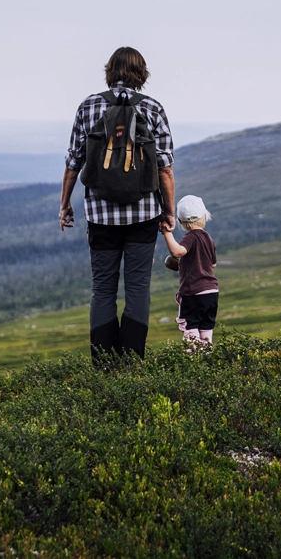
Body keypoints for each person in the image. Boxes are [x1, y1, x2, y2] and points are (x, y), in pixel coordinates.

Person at [59, 47, 176, 364]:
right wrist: (168, 211)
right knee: (138, 288)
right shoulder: (152, 108)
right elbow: (164, 167)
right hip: (143, 215)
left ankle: (102, 364)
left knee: (102, 289)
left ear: (109, 70)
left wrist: (65, 204)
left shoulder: (89, 106)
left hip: (100, 215)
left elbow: (74, 161)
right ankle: (132, 363)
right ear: (142, 73)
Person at [161, 196, 218, 346]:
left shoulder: (190, 237)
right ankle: (206, 359)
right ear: (205, 216)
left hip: (192, 293)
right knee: (206, 328)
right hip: (211, 293)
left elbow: (178, 252)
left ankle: (192, 361)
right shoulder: (208, 239)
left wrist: (167, 233)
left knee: (190, 329)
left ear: (179, 221)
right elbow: (212, 265)